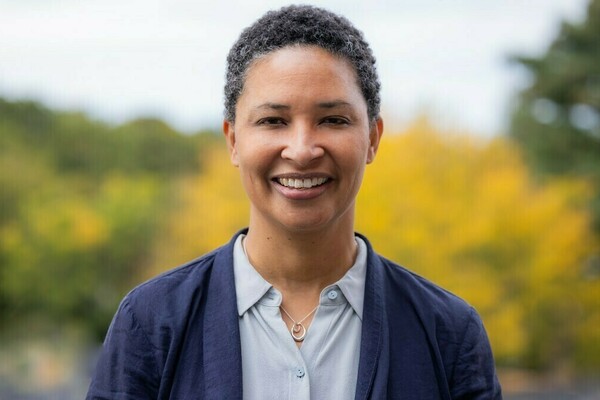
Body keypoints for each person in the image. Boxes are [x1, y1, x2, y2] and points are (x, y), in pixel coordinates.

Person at [87, 5, 502, 399]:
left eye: (333, 120)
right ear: (233, 140)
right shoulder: (151, 323)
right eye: (273, 121)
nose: (302, 150)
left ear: (373, 138)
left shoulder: (448, 333)